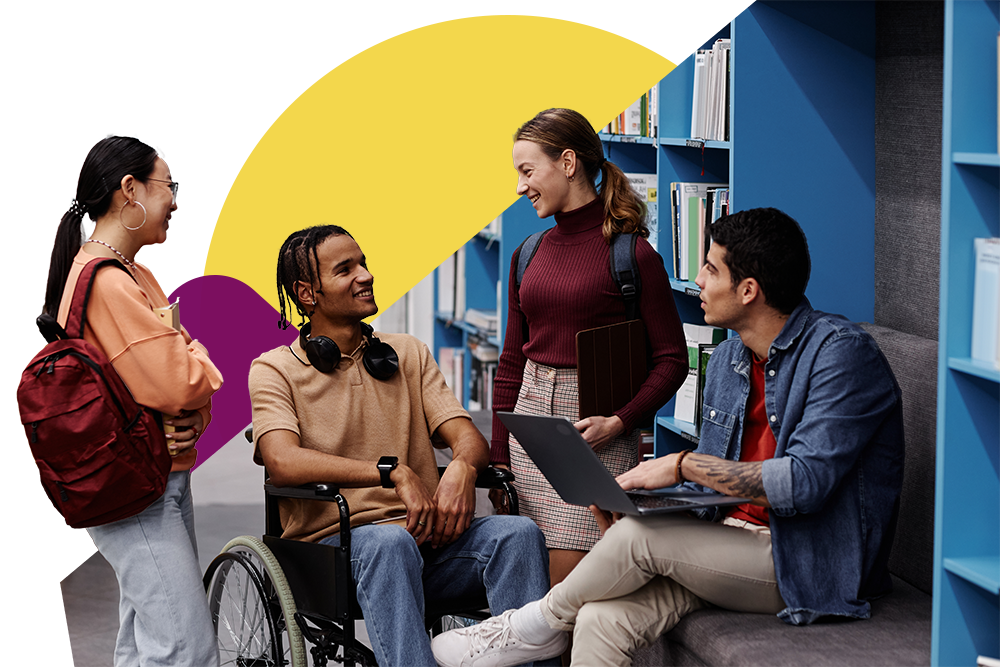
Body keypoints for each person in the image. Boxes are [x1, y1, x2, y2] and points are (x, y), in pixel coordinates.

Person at [431, 208, 905, 667]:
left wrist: (681, 465)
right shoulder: (728, 360)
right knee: (600, 618)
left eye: (710, 268)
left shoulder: (842, 356)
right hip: (725, 542)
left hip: (807, 560)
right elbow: (711, 490)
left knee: (638, 541)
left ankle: (535, 624)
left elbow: (805, 484)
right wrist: (645, 503)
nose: (697, 280)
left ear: (748, 290)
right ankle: (547, 624)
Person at [247, 225, 558, 667]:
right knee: (389, 544)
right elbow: (282, 460)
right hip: (334, 555)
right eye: (345, 270)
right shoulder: (274, 370)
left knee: (518, 535)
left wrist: (462, 471)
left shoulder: (408, 354)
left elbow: (467, 438)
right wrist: (392, 472)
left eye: (364, 263)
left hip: (431, 543)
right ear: (306, 293)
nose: (366, 275)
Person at [42, 135, 224, 666]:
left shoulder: (133, 273)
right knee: (185, 647)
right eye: (169, 187)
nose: (175, 201)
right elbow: (181, 380)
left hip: (156, 477)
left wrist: (190, 405)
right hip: (136, 492)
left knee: (147, 642)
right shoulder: (107, 282)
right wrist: (192, 376)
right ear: (130, 190)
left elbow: (183, 386)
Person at [492, 108, 688, 588]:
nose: (520, 187)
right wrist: (498, 460)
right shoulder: (528, 253)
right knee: (527, 584)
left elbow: (672, 360)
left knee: (568, 592)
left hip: (596, 436)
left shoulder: (633, 255)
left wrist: (619, 422)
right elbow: (511, 362)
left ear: (567, 162)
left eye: (527, 170)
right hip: (529, 429)